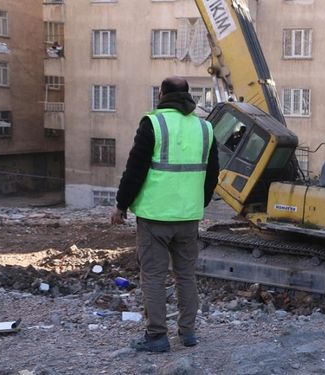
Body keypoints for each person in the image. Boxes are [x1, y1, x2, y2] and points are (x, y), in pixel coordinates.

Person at [111, 76, 219, 353]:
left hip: (155, 217)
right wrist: (199, 203)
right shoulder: (206, 129)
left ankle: (157, 336)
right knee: (186, 275)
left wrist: (121, 204)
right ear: (189, 96)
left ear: (161, 94)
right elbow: (212, 175)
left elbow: (135, 169)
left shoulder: (154, 124)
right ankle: (188, 333)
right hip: (188, 217)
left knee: (154, 277)